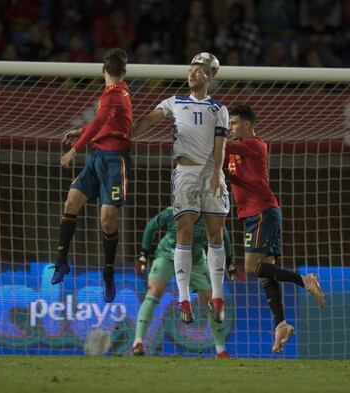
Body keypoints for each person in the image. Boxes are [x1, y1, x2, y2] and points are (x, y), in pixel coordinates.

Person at [132, 53, 230, 324]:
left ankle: (218, 297)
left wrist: (217, 173)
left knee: (215, 233)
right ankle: (184, 299)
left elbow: (221, 145)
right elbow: (149, 120)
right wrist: (126, 135)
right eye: (190, 69)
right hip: (185, 173)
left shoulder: (219, 109)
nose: (192, 73)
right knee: (184, 231)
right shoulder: (174, 102)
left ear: (208, 77)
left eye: (198, 70)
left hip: (212, 172)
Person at [226, 105, 325, 352]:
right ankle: (281, 324)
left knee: (251, 267)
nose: (230, 128)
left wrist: (205, 132)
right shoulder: (233, 151)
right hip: (250, 214)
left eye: (234, 123)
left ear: (247, 125)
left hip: (262, 211)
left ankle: (305, 280)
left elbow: (222, 147)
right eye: (228, 124)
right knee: (264, 273)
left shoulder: (255, 144)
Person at [51, 48, 132, 304]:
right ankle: (61, 262)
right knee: (71, 202)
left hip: (114, 162)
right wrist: (81, 130)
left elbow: (99, 123)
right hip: (97, 158)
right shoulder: (116, 93)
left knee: (107, 220)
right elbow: (103, 123)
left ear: (102, 70)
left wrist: (74, 149)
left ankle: (108, 275)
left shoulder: (115, 95)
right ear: (124, 71)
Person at [132, 207, 245, 358]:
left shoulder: (211, 216)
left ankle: (221, 350)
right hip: (167, 255)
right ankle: (138, 342)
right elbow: (152, 225)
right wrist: (143, 255)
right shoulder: (175, 211)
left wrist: (230, 263)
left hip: (196, 260)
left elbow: (224, 236)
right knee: (154, 292)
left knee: (212, 300)